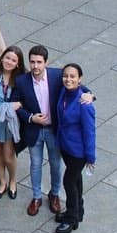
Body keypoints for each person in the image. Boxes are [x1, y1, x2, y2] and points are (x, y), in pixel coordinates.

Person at [12, 45, 93, 217]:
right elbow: (15, 104)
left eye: (39, 62)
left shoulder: (57, 76)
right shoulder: (21, 81)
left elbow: (80, 88)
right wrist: (30, 117)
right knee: (35, 164)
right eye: (32, 62)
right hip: (34, 129)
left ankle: (54, 194)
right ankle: (36, 197)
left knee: (56, 164)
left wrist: (90, 95)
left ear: (46, 62)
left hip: (54, 131)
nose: (35, 66)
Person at [54, 63, 96, 233]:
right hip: (65, 146)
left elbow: (90, 131)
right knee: (75, 178)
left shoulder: (84, 103)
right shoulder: (64, 91)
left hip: (78, 151)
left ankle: (71, 218)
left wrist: (91, 157)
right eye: (66, 76)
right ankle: (78, 209)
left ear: (80, 79)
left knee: (69, 181)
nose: (68, 79)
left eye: (72, 76)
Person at [0, 45, 25, 201]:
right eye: (7, 58)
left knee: (8, 156)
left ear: (18, 64)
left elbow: (28, 99)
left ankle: (13, 181)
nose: (9, 62)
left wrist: (20, 104)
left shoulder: (22, 79)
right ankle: (2, 182)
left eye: (13, 60)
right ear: (2, 58)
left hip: (10, 121)